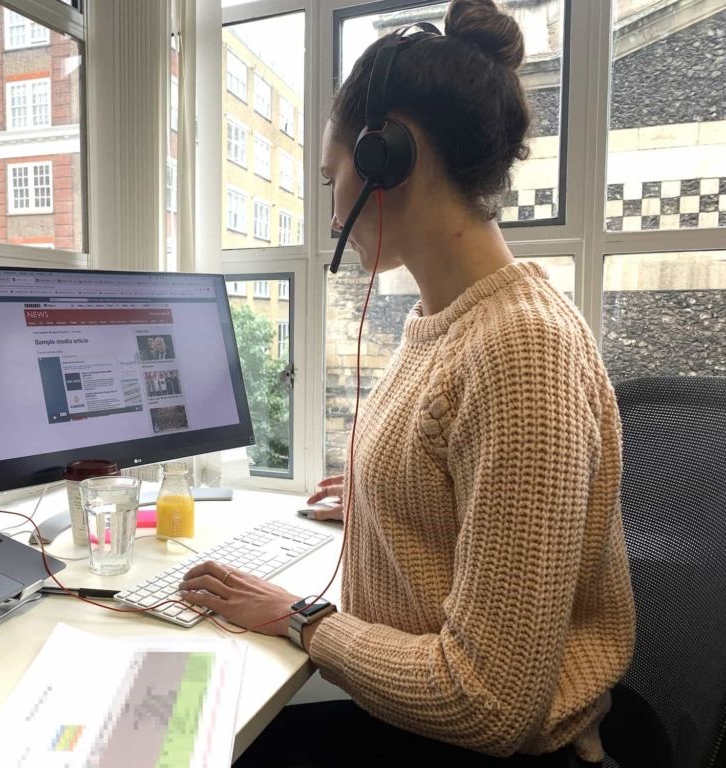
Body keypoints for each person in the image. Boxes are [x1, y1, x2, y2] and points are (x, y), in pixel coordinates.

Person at [178, 1, 635, 765]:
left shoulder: (521, 351)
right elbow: (455, 486)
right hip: (419, 727)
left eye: (331, 177)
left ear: (388, 155)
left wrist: (300, 617)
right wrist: (377, 493)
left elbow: (487, 701)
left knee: (191, 744)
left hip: (487, 748)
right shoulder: (451, 319)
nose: (330, 215)